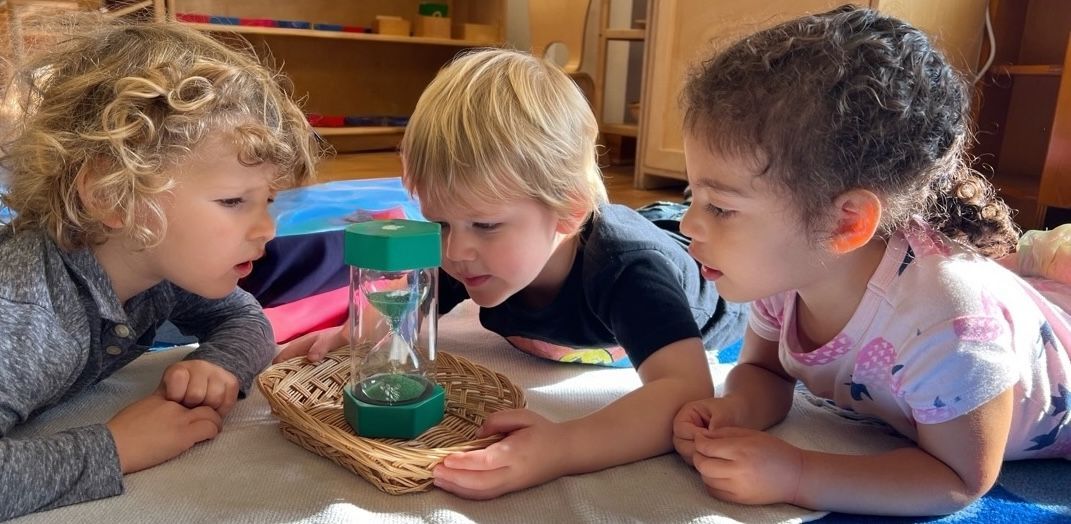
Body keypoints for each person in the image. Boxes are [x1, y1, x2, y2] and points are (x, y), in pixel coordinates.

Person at [275, 48, 747, 499]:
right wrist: (348, 336)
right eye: (438, 222)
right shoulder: (467, 251)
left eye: (485, 224)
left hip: (706, 269)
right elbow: (407, 300)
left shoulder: (629, 269)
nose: (455, 250)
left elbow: (684, 391)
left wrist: (564, 447)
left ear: (566, 211)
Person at [670, 5, 1071, 517]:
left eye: (721, 207)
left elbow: (958, 479)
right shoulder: (785, 272)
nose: (686, 224)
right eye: (692, 195)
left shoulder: (952, 327)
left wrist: (798, 473)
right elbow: (764, 373)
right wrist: (733, 411)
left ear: (845, 223)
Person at [0, 20, 318, 519]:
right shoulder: (25, 315)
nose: (267, 229)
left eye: (268, 201)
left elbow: (247, 320)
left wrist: (218, 364)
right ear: (111, 194)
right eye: (233, 200)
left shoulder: (156, 271)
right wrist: (115, 447)